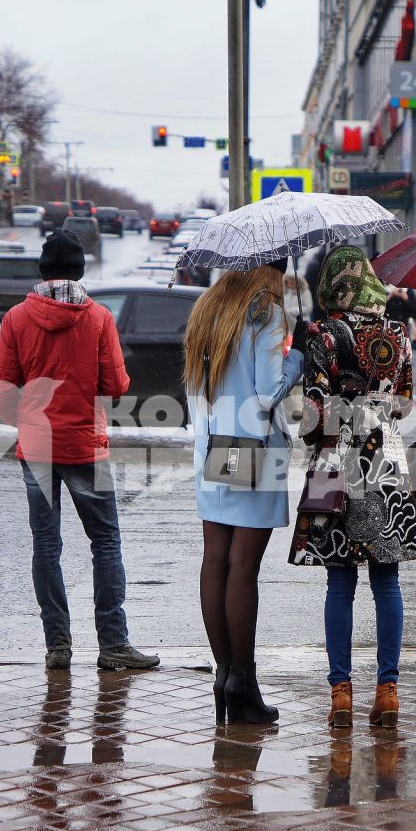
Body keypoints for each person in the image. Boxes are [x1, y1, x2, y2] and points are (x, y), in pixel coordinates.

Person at [0, 230, 160, 674]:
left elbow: (3, 390)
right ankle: (113, 645)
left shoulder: (16, 319)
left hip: (37, 448)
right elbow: (116, 385)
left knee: (46, 545)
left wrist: (26, 422)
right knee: (104, 542)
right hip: (87, 446)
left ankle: (58, 648)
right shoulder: (99, 317)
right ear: (81, 271)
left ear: (43, 270)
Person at [290, 246, 416, 728]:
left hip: (331, 460)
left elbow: (312, 411)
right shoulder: (398, 333)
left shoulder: (321, 333)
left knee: (339, 580)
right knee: (386, 579)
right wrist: (378, 405)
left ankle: (340, 692)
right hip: (384, 456)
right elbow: (406, 405)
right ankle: (388, 690)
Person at [185, 265, 301, 725]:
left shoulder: (209, 307)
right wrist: (298, 359)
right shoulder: (265, 311)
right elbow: (269, 392)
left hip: (212, 444)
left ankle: (224, 675)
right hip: (253, 446)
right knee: (243, 567)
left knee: (215, 560)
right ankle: (244, 684)